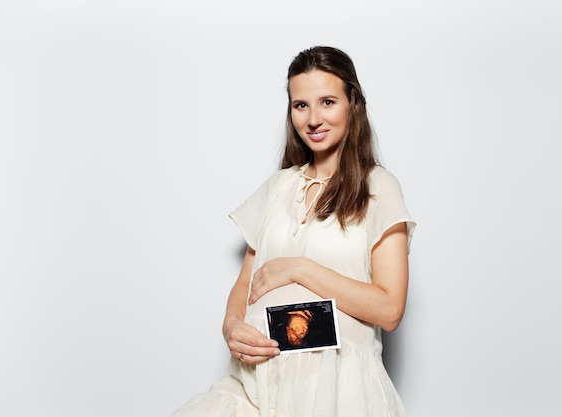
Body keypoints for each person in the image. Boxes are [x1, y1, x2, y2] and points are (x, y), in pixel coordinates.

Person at [171, 45, 416, 417]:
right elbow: (245, 283)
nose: (313, 118)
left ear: (353, 103)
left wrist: (300, 268)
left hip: (336, 389)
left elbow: (389, 308)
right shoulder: (278, 187)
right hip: (254, 381)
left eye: (328, 102)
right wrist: (232, 326)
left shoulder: (378, 187)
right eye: (301, 105)